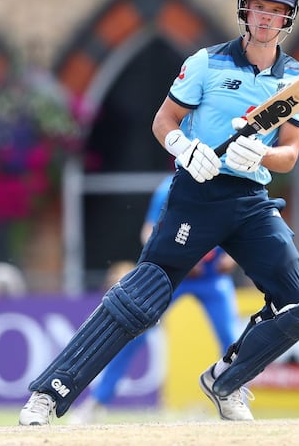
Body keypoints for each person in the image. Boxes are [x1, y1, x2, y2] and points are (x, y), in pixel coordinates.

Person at [19, 0, 299, 426]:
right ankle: (49, 394)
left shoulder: (297, 80)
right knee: (141, 296)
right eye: (258, 9)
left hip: (251, 199)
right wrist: (185, 148)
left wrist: (261, 158)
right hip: (199, 192)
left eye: (275, 11)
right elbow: (163, 120)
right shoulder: (206, 63)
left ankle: (226, 380)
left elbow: (289, 153)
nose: (265, 19)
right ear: (244, 11)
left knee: (297, 302)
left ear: (288, 18)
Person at [71, 175, 239, 423]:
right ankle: (98, 401)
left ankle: (235, 398)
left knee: (232, 340)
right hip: (174, 275)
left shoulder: (227, 184)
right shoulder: (169, 188)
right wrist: (176, 258)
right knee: (135, 332)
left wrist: (233, 257)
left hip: (212, 278)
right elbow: (149, 231)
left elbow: (239, 226)